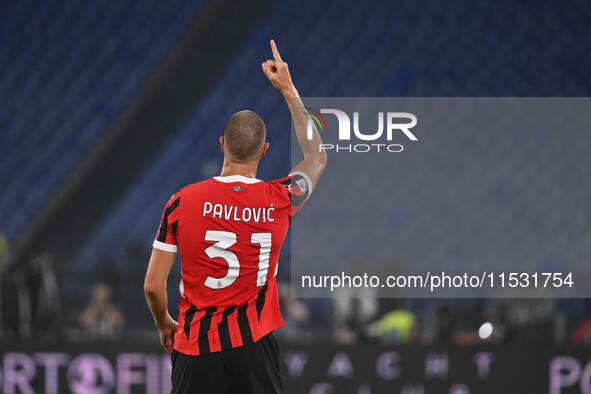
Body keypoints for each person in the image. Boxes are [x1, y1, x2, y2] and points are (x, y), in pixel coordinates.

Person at [144, 40, 326, 394]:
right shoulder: (280, 198)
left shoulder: (182, 202)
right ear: (265, 150)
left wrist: (164, 324)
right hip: (253, 345)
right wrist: (288, 89)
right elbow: (316, 156)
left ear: (221, 144)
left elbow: (153, 285)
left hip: (195, 347)